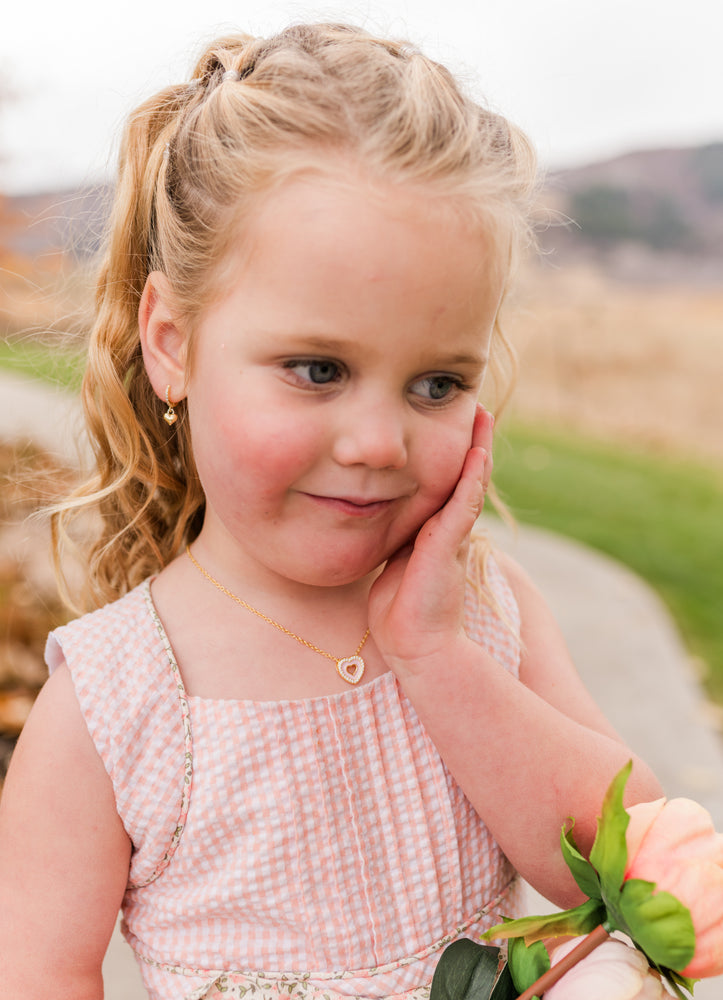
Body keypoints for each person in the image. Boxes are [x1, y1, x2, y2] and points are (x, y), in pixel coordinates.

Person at [0, 23, 661, 1000]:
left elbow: (645, 884)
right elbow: (38, 972)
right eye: (318, 370)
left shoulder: (485, 611)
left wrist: (438, 658)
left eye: (436, 383)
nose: (378, 442)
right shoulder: (115, 701)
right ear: (173, 342)